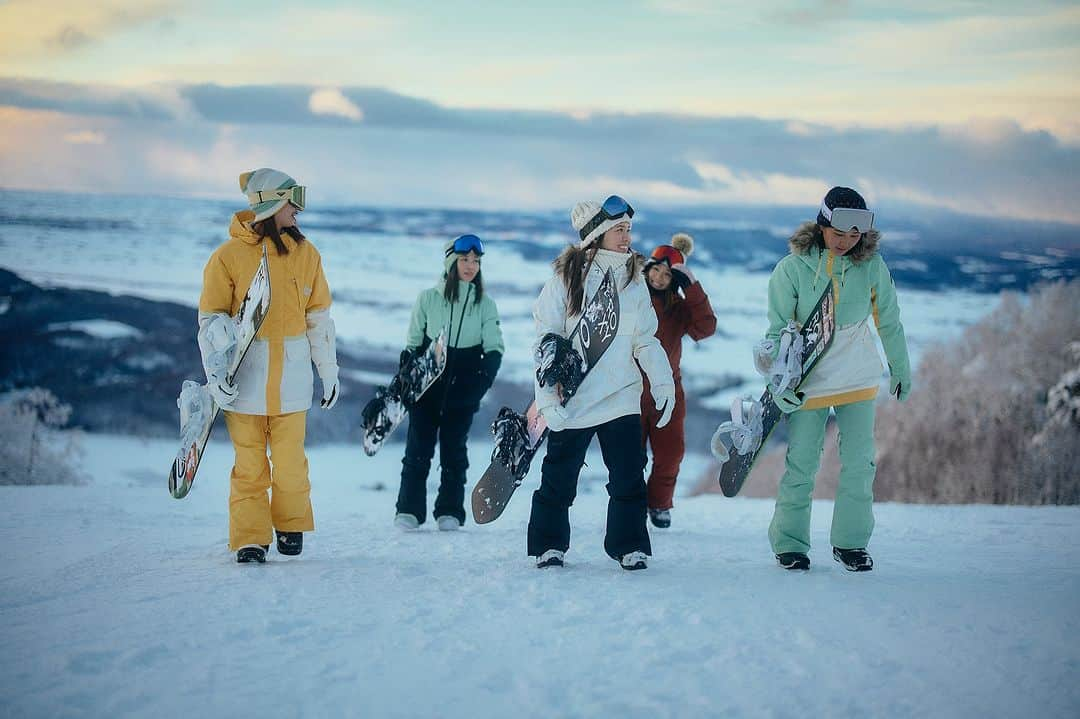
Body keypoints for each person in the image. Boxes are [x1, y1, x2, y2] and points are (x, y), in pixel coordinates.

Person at [765, 186, 910, 572]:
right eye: (838, 233)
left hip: (858, 378)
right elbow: (778, 330)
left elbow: (889, 320)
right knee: (802, 464)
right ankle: (790, 544)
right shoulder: (792, 269)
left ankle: (851, 544)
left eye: (854, 235)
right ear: (821, 226)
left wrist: (900, 365)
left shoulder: (872, 267)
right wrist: (778, 381)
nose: (846, 242)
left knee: (861, 463)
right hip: (810, 379)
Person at [198, 168, 339, 564]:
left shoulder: (307, 254)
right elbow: (210, 322)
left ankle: (291, 524)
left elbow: (319, 320)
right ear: (271, 204)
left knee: (292, 463)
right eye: (291, 200)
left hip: (292, 383)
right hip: (244, 384)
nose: (297, 209)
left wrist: (328, 371)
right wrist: (215, 372)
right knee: (250, 466)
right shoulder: (226, 258)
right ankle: (250, 539)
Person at [528, 195, 675, 571]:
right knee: (559, 479)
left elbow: (645, 339)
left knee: (628, 478)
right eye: (618, 230)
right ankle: (548, 545)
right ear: (597, 233)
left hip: (621, 396)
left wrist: (662, 381)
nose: (627, 237)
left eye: (628, 229)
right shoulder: (564, 280)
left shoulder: (634, 281)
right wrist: (546, 400)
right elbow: (546, 342)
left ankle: (629, 545)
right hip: (574, 399)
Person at [393, 234, 504, 531]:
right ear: (451, 262)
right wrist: (408, 378)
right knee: (418, 448)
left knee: (454, 452)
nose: (471, 266)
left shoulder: (485, 305)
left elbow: (494, 349)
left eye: (476, 261)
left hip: (463, 387)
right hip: (427, 386)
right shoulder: (428, 299)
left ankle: (450, 511)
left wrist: (478, 386)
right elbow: (413, 344)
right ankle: (409, 510)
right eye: (465, 260)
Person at [640, 233, 717, 528]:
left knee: (671, 454)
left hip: (669, 394)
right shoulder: (634, 300)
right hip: (631, 391)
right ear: (646, 269)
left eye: (667, 274)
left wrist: (693, 288)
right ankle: (631, 504)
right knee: (631, 459)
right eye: (655, 270)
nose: (659, 277)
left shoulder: (680, 309)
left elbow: (706, 327)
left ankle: (659, 503)